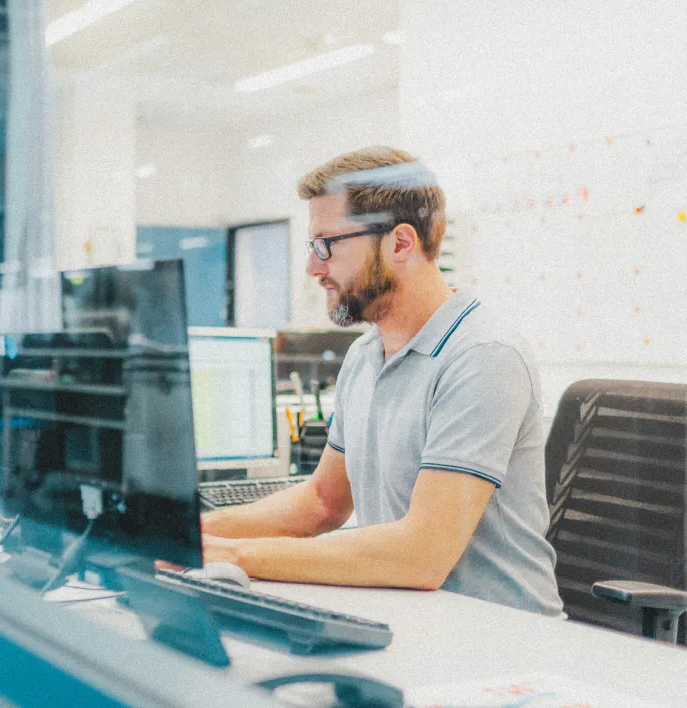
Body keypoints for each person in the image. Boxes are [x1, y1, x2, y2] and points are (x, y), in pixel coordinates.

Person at [202, 146, 563, 616]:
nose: (313, 268)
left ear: (400, 243)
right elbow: (322, 503)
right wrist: (192, 531)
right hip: (411, 617)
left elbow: (421, 554)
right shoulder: (366, 354)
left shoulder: (482, 356)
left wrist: (232, 555)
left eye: (325, 244)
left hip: (499, 636)